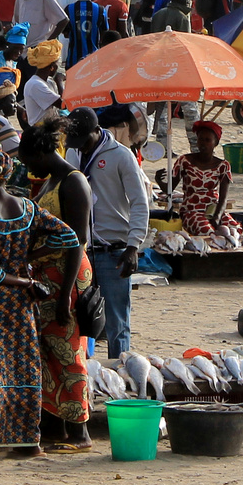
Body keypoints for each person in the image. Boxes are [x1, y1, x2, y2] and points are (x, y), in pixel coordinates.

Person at [0, 145, 79, 463]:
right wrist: (26, 260)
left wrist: (21, 277)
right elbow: (68, 238)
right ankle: (27, 442)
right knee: (22, 365)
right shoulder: (28, 209)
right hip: (20, 308)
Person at [17, 119, 95, 452]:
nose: (28, 168)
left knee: (69, 353)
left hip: (68, 277)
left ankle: (80, 433)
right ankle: (56, 425)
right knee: (48, 353)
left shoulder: (74, 183)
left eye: (28, 160)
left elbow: (79, 240)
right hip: (47, 278)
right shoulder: (51, 182)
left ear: (41, 152)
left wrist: (65, 297)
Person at [65, 108, 147, 360]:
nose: (82, 149)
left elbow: (140, 203)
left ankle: (119, 376)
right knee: (79, 318)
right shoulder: (72, 152)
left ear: (96, 131)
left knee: (116, 321)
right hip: (82, 250)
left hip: (114, 251)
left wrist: (133, 246)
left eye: (84, 142)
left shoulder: (121, 156)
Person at [171, 120, 241, 243]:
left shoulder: (223, 165)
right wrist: (160, 182)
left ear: (216, 143)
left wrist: (218, 216)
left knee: (235, 230)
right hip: (191, 210)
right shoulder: (184, 161)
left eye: (207, 140)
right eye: (200, 139)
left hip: (214, 208)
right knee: (207, 232)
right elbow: (169, 188)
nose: (203, 143)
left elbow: (223, 198)